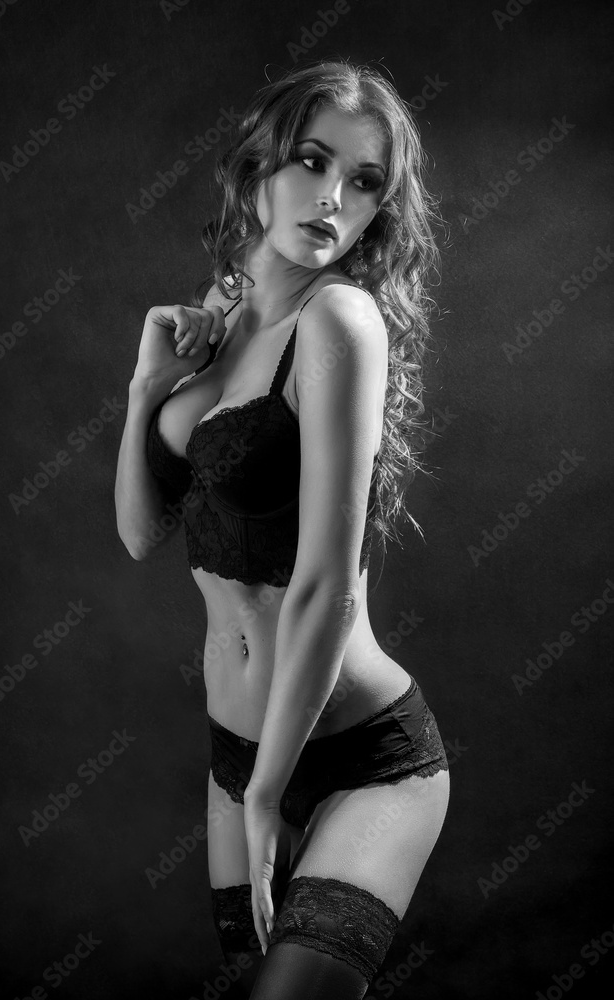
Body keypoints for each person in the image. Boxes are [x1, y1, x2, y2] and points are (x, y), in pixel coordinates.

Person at [115, 59, 449, 999]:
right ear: (257, 165)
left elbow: (327, 584)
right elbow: (142, 533)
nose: (334, 197)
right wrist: (145, 391)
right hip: (235, 759)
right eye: (312, 161)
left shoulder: (338, 319)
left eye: (365, 181)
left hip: (358, 760)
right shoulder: (223, 309)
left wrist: (270, 793)